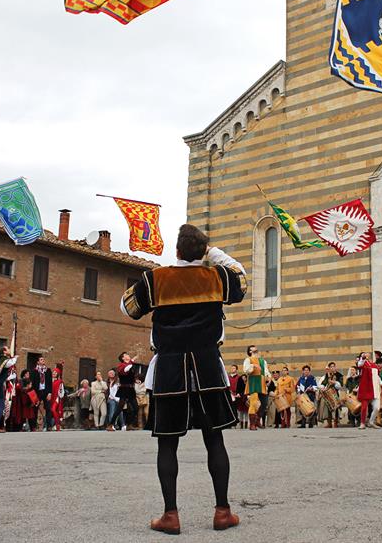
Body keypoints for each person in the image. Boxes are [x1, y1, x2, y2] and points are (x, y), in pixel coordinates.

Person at [121, 224, 246, 534]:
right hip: (207, 366)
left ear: (176, 251)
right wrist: (215, 256)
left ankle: (170, 515)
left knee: (167, 444)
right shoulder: (216, 277)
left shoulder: (156, 279)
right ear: (203, 252)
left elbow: (128, 308)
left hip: (169, 368)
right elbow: (241, 280)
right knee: (214, 438)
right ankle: (222, 512)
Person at [243, 346, 270, 430]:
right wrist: (253, 365)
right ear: (250, 351)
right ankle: (252, 424)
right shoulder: (248, 360)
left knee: (264, 402)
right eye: (253, 349)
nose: (256, 350)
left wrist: (269, 378)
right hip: (253, 382)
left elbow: (266, 371)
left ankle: (257, 419)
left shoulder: (262, 361)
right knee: (253, 402)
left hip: (261, 382)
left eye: (256, 348)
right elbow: (246, 370)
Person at [356, 352, 381, 429]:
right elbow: (360, 364)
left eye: (367, 354)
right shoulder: (361, 364)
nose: (366, 355)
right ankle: (362, 423)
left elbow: (377, 376)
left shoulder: (374, 365)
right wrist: (362, 358)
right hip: (366, 388)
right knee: (364, 407)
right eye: (364, 354)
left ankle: (371, 422)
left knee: (377, 407)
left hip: (375, 388)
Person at [116, 352, 140, 431]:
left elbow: (130, 372)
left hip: (130, 389)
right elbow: (126, 369)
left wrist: (135, 380)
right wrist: (132, 360)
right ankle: (111, 424)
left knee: (135, 408)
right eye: (126, 355)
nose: (128, 355)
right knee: (120, 408)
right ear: (123, 358)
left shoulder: (129, 364)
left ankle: (129, 424)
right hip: (124, 389)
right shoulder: (122, 365)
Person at [31, 357, 54, 431]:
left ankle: (49, 426)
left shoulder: (48, 371)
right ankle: (33, 426)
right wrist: (33, 394)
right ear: (38, 362)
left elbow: (50, 383)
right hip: (37, 392)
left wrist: (50, 393)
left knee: (48, 408)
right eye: (41, 359)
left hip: (45, 391)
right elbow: (33, 383)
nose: (43, 360)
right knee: (35, 408)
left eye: (43, 359)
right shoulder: (35, 371)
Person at [317, 362, 342, 429]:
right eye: (331, 367)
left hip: (335, 393)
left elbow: (340, 386)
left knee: (336, 408)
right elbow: (323, 384)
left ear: (335, 367)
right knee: (327, 408)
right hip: (327, 394)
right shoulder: (326, 376)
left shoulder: (339, 375)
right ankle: (329, 423)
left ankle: (336, 422)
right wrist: (323, 387)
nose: (332, 368)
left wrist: (335, 382)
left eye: (333, 366)